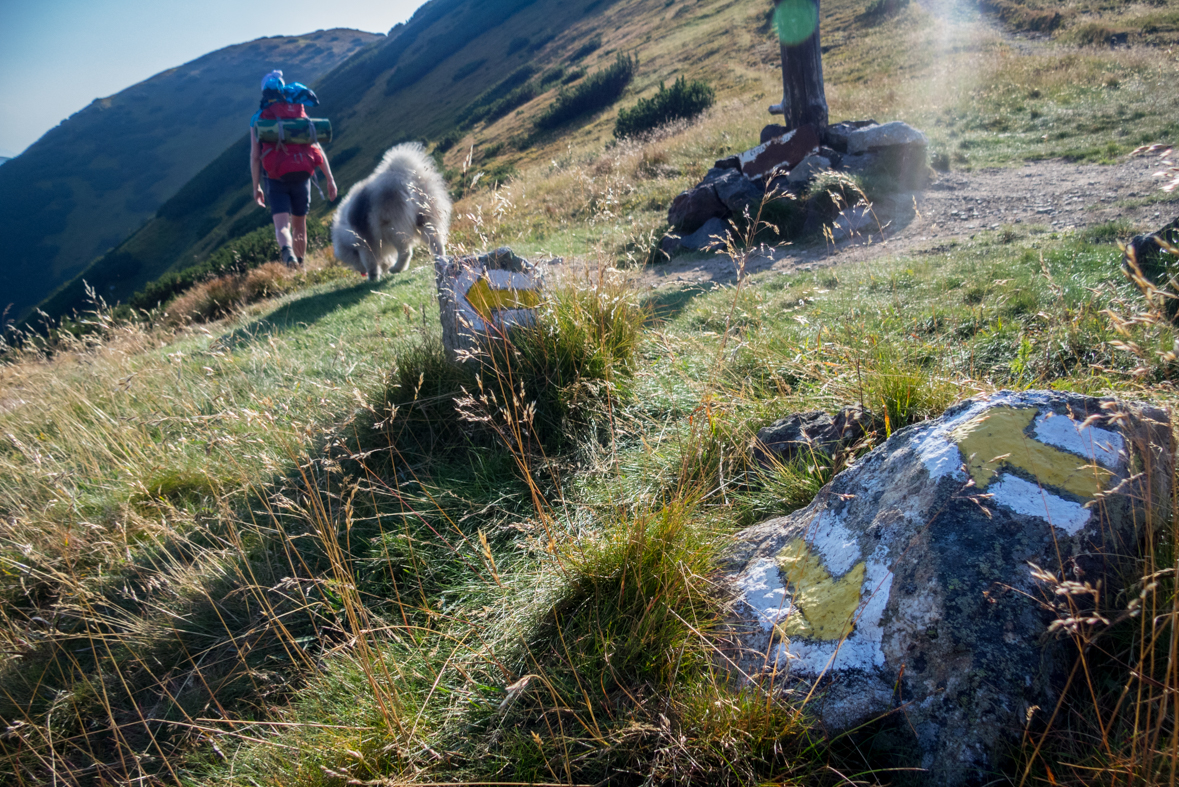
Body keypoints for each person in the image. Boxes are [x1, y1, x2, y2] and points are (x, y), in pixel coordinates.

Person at [250, 70, 338, 267]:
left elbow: (255, 156)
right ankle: (300, 266)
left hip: (275, 178)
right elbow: (316, 146)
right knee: (300, 226)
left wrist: (256, 187)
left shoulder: (258, 118)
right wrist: (329, 178)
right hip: (302, 175)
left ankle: (287, 254)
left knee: (282, 226)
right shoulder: (298, 111)